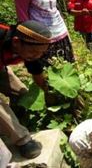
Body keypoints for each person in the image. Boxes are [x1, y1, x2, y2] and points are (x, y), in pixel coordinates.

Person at [13, 0, 75, 93]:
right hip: (41, 41)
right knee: (48, 82)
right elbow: (23, 20)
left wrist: (66, 33)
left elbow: (53, 9)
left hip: (61, 34)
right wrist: (30, 45)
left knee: (67, 76)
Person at [0, 20, 52, 159]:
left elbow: (37, 72)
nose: (37, 56)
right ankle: (22, 140)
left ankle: (13, 122)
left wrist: (49, 91)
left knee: (22, 93)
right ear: (16, 42)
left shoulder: (29, 47)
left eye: (41, 53)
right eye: (34, 52)